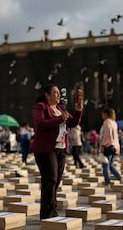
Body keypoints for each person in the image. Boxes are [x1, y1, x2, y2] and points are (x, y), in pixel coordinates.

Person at [29, 84, 83, 220]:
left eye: (59, 93)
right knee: (50, 180)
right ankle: (46, 213)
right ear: (47, 95)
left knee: (56, 180)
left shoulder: (60, 109)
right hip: (46, 149)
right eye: (55, 93)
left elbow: (72, 123)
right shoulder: (40, 107)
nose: (58, 95)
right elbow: (41, 124)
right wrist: (60, 118)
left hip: (61, 149)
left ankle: (52, 210)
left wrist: (77, 111)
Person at [99, 108, 123, 187]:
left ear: (106, 114)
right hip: (115, 146)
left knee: (105, 165)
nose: (102, 115)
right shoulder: (114, 122)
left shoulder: (106, 122)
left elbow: (108, 135)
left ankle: (107, 181)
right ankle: (119, 177)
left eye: (102, 113)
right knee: (110, 164)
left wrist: (103, 145)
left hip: (108, 146)